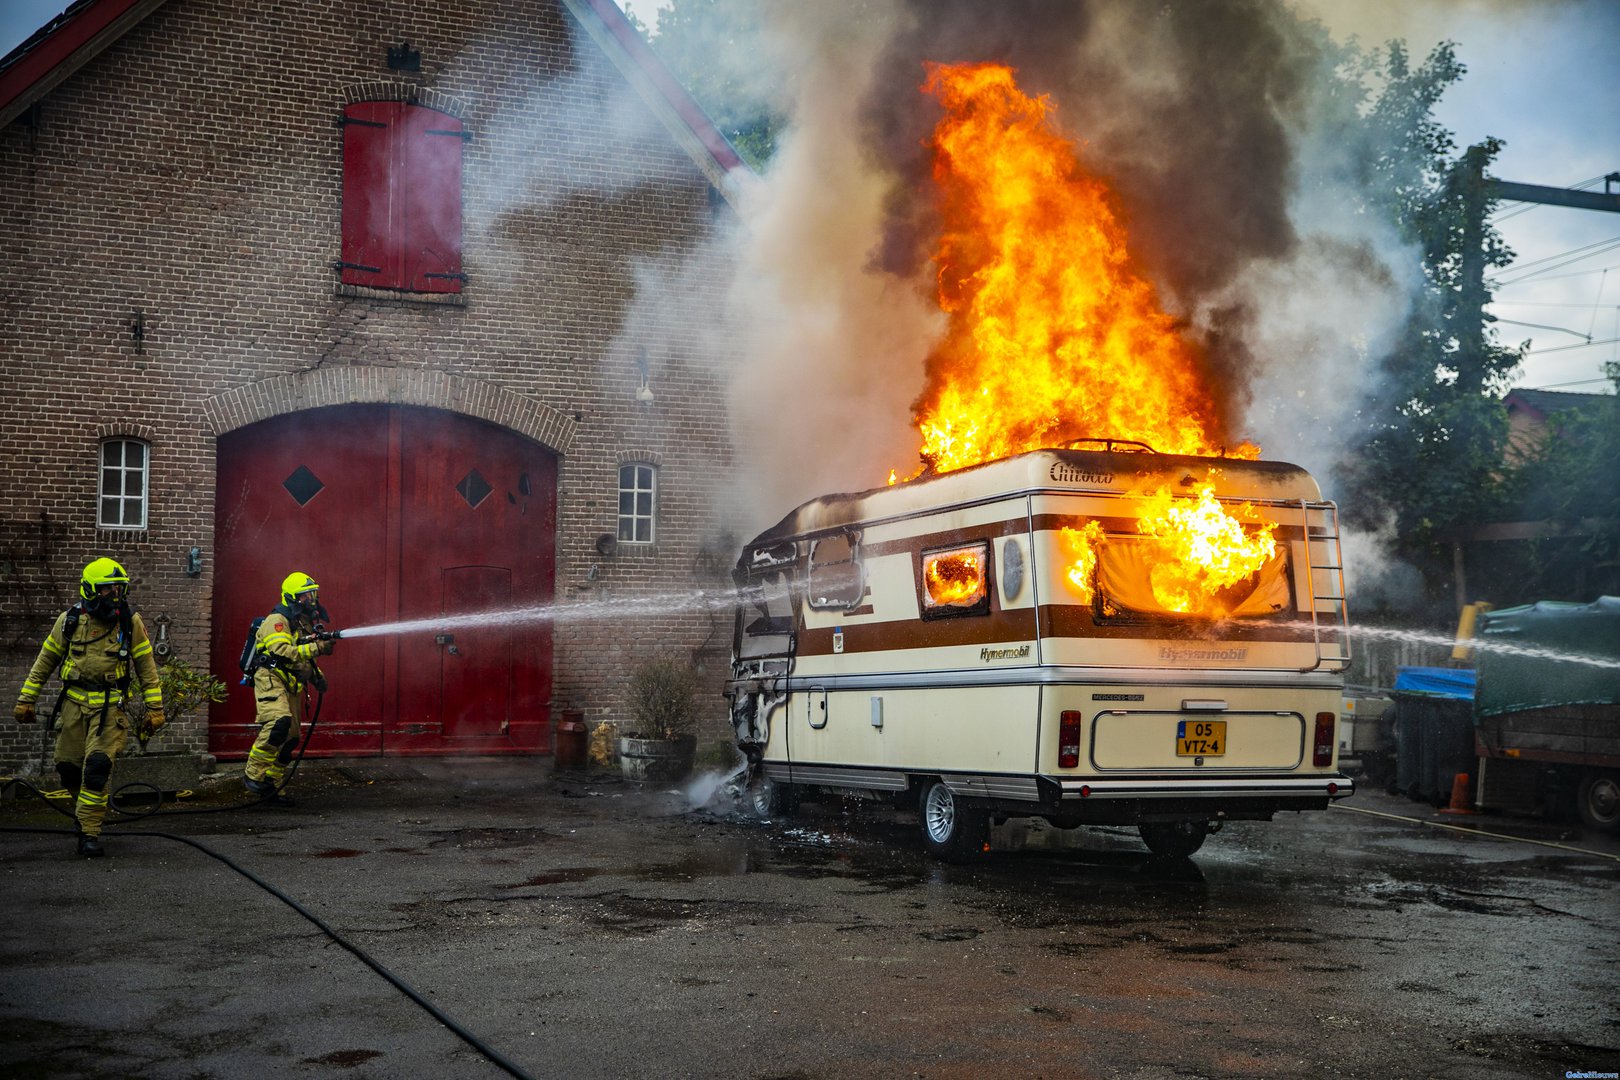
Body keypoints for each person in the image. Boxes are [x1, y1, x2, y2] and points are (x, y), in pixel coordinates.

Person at [13, 557, 164, 857]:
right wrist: (26, 699)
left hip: (109, 708)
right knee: (67, 767)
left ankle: (89, 833)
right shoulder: (69, 621)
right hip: (73, 705)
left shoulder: (130, 622)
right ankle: (86, 812)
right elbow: (45, 661)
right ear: (91, 590)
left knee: (97, 768)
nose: (115, 596)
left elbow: (147, 668)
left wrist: (155, 709)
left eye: (119, 589)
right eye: (108, 589)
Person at [242, 571, 334, 806]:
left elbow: (304, 659)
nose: (311, 599)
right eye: (306, 595)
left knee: (291, 738)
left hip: (290, 682)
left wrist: (317, 677)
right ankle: (254, 774)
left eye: (312, 594)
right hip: (270, 677)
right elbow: (283, 652)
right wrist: (317, 648)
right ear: (293, 597)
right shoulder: (277, 621)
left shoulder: (301, 622)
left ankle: (270, 786)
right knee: (279, 723)